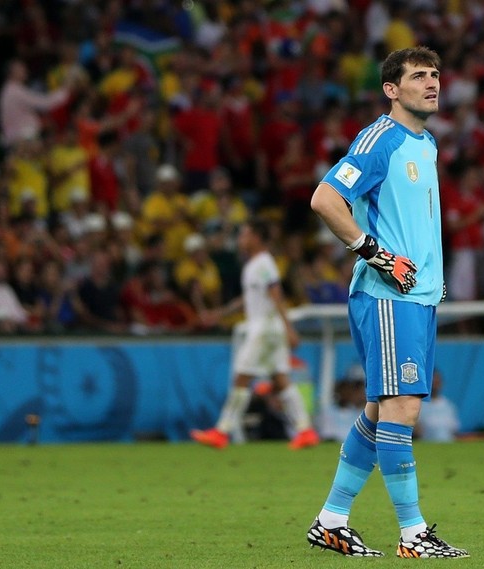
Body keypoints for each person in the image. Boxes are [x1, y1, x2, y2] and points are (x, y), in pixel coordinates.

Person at [306, 46, 468, 559]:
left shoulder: (426, 145)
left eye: (436, 74)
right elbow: (325, 199)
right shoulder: (382, 139)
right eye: (419, 76)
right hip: (387, 297)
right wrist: (375, 254)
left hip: (417, 299)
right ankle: (413, 533)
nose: (432, 83)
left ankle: (331, 521)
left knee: (381, 411)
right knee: (403, 408)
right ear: (391, 90)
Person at [189, 217, 319, 450]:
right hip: (269, 329)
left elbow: (276, 293)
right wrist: (219, 313)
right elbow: (247, 299)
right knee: (281, 380)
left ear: (257, 237)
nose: (241, 239)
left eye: (245, 234)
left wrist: (289, 328)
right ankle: (305, 430)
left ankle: (222, 431)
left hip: (265, 329)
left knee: (241, 377)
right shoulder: (254, 265)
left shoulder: (264, 263)